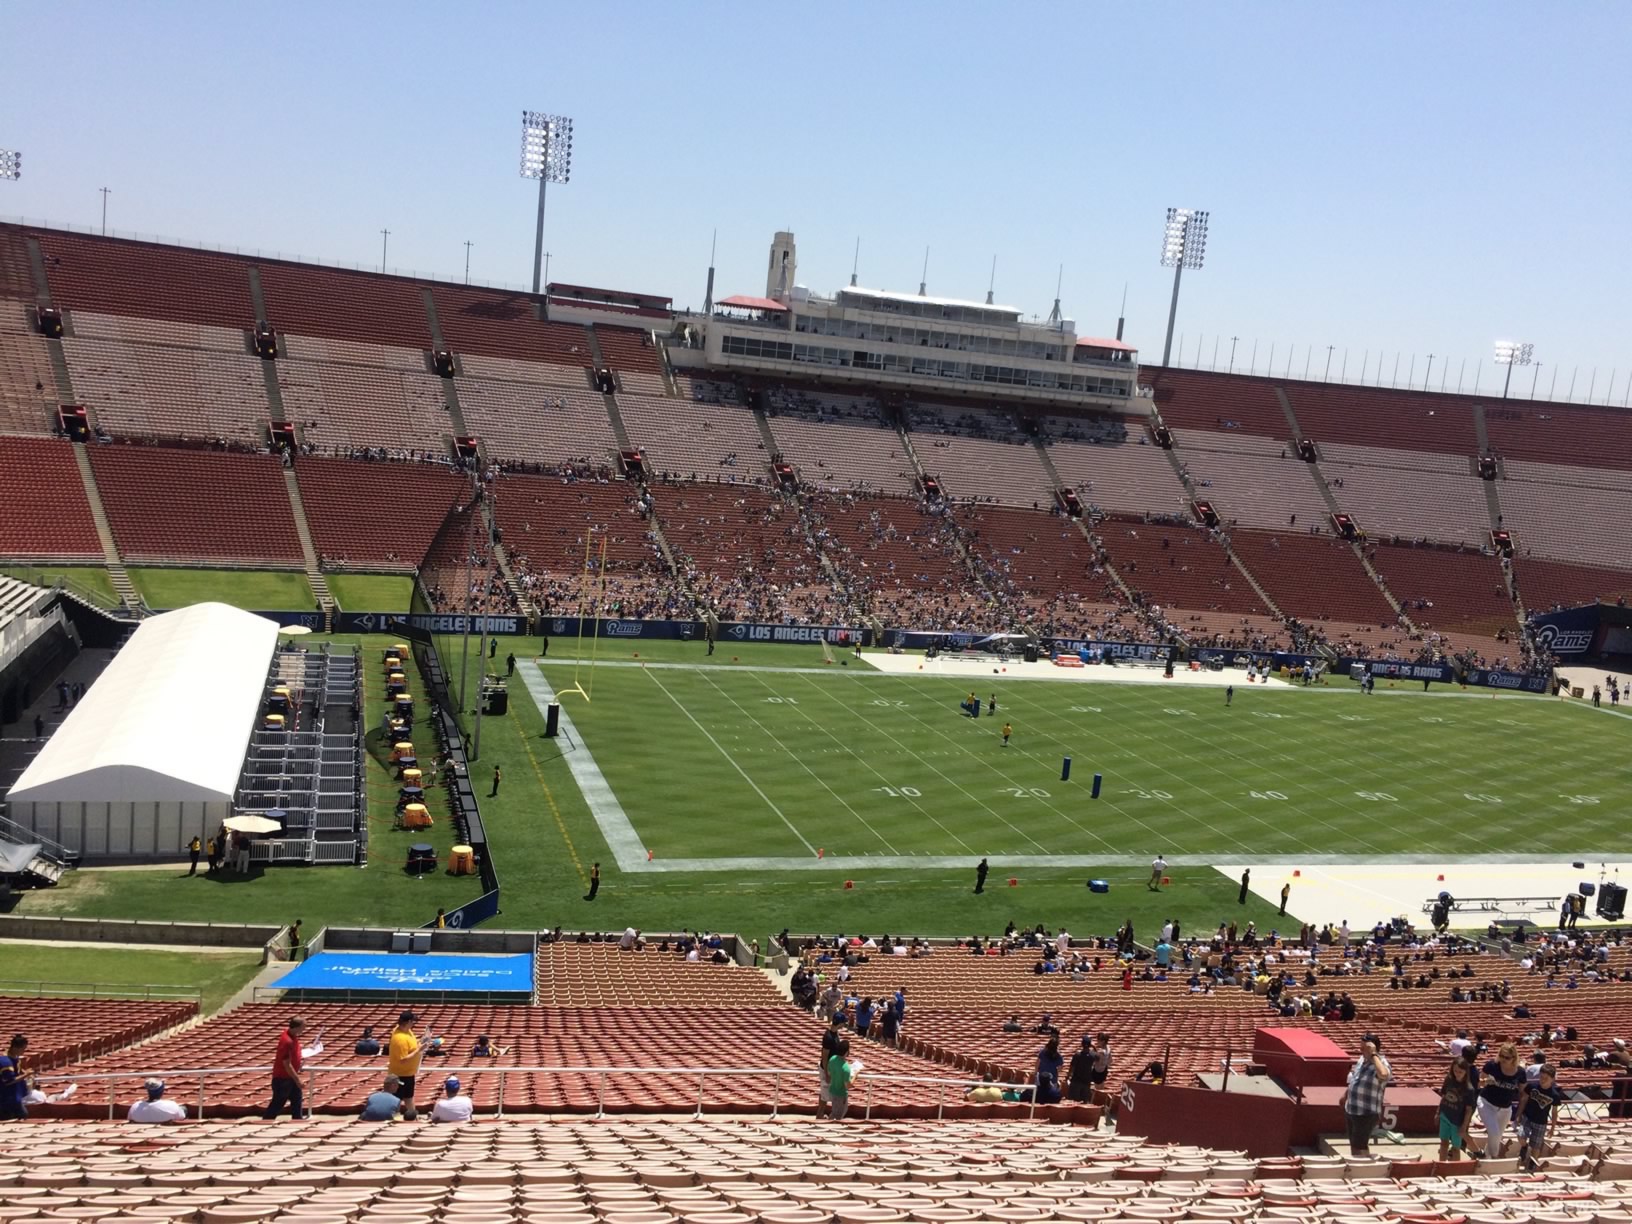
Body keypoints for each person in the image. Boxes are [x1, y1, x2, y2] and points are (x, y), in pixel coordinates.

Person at [1340, 1034, 1391, 1156]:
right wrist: (1345, 1095)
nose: (1361, 1050)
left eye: (1364, 1048)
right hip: (1352, 1108)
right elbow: (1355, 1079)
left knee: (1359, 1146)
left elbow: (1384, 1075)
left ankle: (1362, 1169)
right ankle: (1361, 1166)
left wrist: (1373, 1055)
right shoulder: (1361, 1060)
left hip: (1366, 1112)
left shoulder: (1382, 1063)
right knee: (1355, 1145)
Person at [1477, 1042, 1527, 1158]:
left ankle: (1486, 1157)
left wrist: (1520, 1113)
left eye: (1507, 1057)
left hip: (1505, 1108)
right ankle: (1494, 1159)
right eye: (1502, 1056)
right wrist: (1485, 1081)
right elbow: (1478, 1082)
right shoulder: (1492, 1066)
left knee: (1497, 1135)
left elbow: (1523, 1094)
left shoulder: (1520, 1072)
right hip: (1487, 1103)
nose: (1503, 1059)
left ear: (1514, 1058)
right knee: (1494, 1132)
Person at [1519, 1064, 1563, 1170]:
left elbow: (1554, 1112)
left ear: (1552, 1079)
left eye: (1546, 1078)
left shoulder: (1554, 1095)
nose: (1542, 1080)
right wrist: (1519, 1114)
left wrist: (1552, 1128)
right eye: (1541, 1077)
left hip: (1541, 1122)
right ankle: (1524, 1147)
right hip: (1528, 1117)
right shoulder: (1531, 1087)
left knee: (1536, 1146)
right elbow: (1524, 1100)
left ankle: (1531, 1165)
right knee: (1521, 1136)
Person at [263, 1018, 308, 1120]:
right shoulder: (287, 1041)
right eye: (303, 1027)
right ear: (296, 1027)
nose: (304, 1030)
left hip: (289, 1078)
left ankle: (297, 1122)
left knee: (297, 1101)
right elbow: (286, 1064)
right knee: (278, 1103)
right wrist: (298, 1080)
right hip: (283, 1079)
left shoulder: (292, 1036)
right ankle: (265, 1121)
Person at [1438, 1056, 1474, 1160]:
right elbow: (1444, 1096)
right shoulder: (1449, 1079)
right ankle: (1441, 1166)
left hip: (1457, 1121)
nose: (1457, 1074)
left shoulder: (1469, 1089)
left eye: (1460, 1072)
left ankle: (1456, 1169)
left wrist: (1464, 1126)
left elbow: (1468, 1110)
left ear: (1465, 1072)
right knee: (1444, 1143)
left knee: (1455, 1148)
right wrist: (1438, 1112)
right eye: (1455, 1071)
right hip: (1445, 1115)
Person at [387, 1011, 424, 1106]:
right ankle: (394, 1118)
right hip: (400, 1075)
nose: (413, 1023)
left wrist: (420, 1043)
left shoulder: (408, 1031)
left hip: (409, 1074)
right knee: (396, 1099)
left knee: (409, 1097)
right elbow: (402, 1059)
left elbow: (412, 1046)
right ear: (408, 1022)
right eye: (412, 1021)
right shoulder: (400, 1038)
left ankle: (413, 1116)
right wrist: (418, 1050)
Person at [826, 1036, 855, 1121]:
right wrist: (856, 1075)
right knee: (838, 1116)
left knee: (835, 1112)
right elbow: (848, 1085)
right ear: (846, 1052)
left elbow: (829, 1073)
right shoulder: (846, 1068)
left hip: (833, 1091)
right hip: (840, 1094)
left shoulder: (832, 1058)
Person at [0, 1035, 28, 1122]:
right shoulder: (5, 1062)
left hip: (15, 1097)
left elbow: (16, 1068)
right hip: (6, 1100)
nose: (24, 1051)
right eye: (23, 1049)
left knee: (23, 1115)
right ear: (16, 1048)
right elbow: (9, 1081)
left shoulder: (14, 1057)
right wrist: (26, 1074)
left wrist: (23, 1071)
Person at [1034, 1034, 1064, 1104]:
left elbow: (1037, 1063)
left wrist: (1036, 1072)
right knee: (1051, 1098)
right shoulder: (1058, 1055)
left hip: (1041, 1078)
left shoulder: (1043, 1052)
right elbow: (1060, 1068)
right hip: (1052, 1079)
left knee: (1038, 1097)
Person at [1066, 1035, 1096, 1103]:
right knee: (1084, 1102)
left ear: (1082, 1044)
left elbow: (1072, 1067)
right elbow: (1098, 1056)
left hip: (1076, 1081)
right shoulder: (1092, 1055)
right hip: (1086, 1082)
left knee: (1072, 1102)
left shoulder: (1077, 1055)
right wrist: (1094, 1047)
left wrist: (1068, 1076)